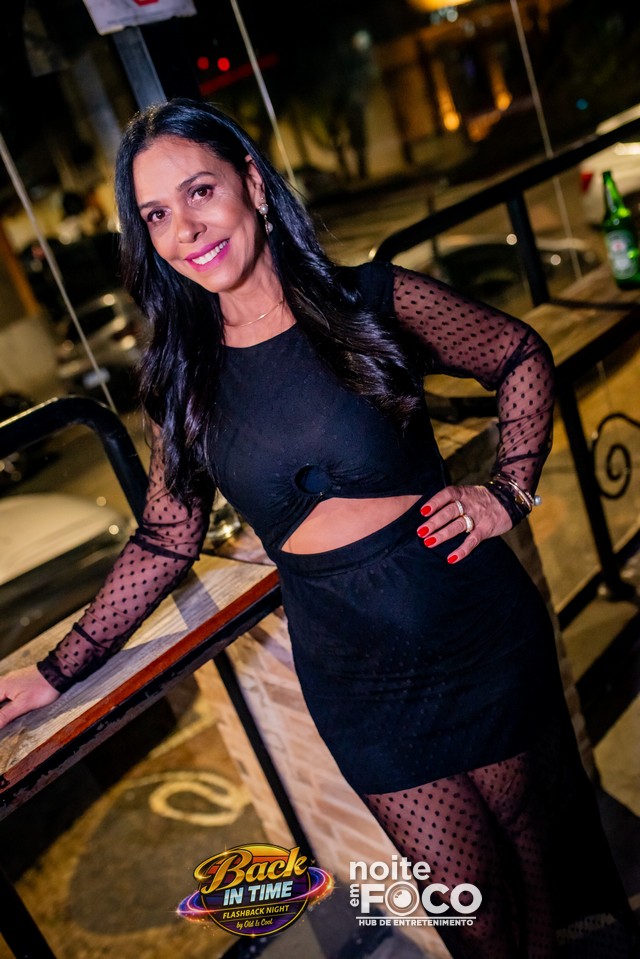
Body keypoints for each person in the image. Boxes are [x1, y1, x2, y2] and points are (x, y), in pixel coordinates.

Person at [0, 98, 637, 958]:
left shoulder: (371, 299)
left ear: (253, 184)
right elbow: (165, 535)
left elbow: (520, 353)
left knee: (532, 866)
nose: (186, 229)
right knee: (474, 909)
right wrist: (54, 670)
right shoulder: (179, 379)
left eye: (200, 191)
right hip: (359, 682)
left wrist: (510, 492)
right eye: (156, 214)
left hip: (477, 631)